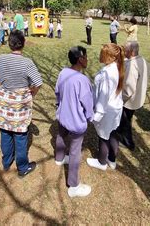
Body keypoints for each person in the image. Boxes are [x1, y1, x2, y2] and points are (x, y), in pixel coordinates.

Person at [0, 30, 42, 178]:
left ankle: (6, 162)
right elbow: (38, 82)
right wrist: (32, 93)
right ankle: (22, 167)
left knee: (5, 131)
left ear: (9, 44)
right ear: (23, 44)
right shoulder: (27, 63)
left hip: (3, 100)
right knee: (20, 135)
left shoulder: (0, 59)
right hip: (20, 102)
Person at [55, 46, 94, 198]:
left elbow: (57, 92)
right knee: (75, 151)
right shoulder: (82, 80)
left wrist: (60, 105)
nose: (87, 59)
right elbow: (88, 103)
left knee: (61, 135)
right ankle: (74, 185)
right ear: (80, 59)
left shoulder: (63, 72)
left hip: (62, 116)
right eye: (85, 57)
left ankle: (59, 158)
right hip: (76, 121)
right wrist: (90, 117)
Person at [87, 43, 125, 171]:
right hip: (116, 107)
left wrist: (96, 115)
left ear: (112, 57)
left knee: (103, 136)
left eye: (103, 54)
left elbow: (103, 97)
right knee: (113, 133)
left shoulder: (107, 75)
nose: (100, 56)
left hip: (107, 109)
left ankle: (102, 162)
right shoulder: (117, 68)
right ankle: (112, 160)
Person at [118, 41, 150, 150]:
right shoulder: (143, 60)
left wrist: (120, 99)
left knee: (125, 121)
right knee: (126, 119)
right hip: (138, 97)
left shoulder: (132, 65)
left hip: (130, 101)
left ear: (131, 52)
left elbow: (129, 88)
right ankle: (122, 137)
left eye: (125, 50)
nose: (124, 52)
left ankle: (128, 143)